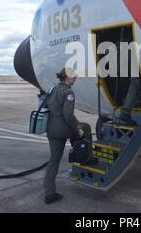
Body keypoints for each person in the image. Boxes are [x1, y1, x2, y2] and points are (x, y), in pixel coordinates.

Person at [43, 67, 97, 204]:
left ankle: (49, 193)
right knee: (85, 127)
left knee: (53, 161)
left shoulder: (53, 89)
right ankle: (86, 158)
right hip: (63, 130)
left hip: (51, 130)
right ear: (67, 78)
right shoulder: (68, 93)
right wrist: (78, 127)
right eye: (74, 77)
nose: (75, 79)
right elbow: (68, 115)